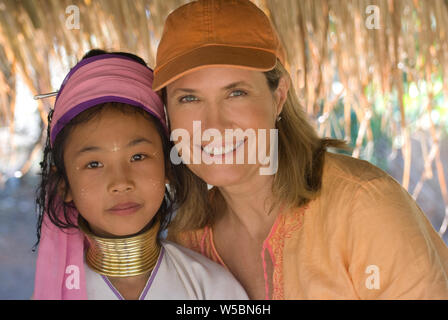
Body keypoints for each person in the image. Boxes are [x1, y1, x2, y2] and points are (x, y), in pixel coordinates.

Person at [152, 0, 448, 299]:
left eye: (236, 93)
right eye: (189, 99)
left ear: (278, 97)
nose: (213, 125)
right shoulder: (187, 241)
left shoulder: (362, 206)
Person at [32, 49, 248, 300]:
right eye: (94, 164)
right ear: (64, 185)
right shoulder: (55, 292)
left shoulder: (212, 288)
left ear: (167, 166)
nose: (121, 183)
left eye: (138, 157)